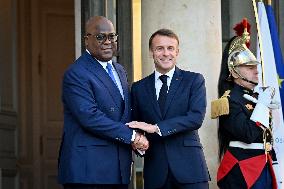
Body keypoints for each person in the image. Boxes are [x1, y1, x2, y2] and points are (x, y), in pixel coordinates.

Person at [57, 16, 149, 189]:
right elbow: (89, 117)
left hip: (118, 169)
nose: (108, 42)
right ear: (86, 40)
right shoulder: (76, 73)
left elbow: (124, 114)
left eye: (112, 36)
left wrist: (140, 133)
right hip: (88, 171)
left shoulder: (119, 70)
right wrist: (132, 136)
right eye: (100, 37)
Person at [127, 29, 210, 189]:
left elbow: (195, 118)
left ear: (177, 52)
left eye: (170, 48)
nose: (166, 53)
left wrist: (156, 128)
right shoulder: (138, 88)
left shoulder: (194, 80)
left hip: (190, 170)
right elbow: (137, 125)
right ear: (151, 52)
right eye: (160, 48)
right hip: (155, 172)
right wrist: (138, 141)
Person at [211, 19, 278, 189]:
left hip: (263, 164)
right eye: (249, 67)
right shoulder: (229, 101)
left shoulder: (254, 97)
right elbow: (247, 134)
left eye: (255, 66)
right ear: (234, 72)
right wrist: (262, 107)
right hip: (243, 168)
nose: (256, 70)